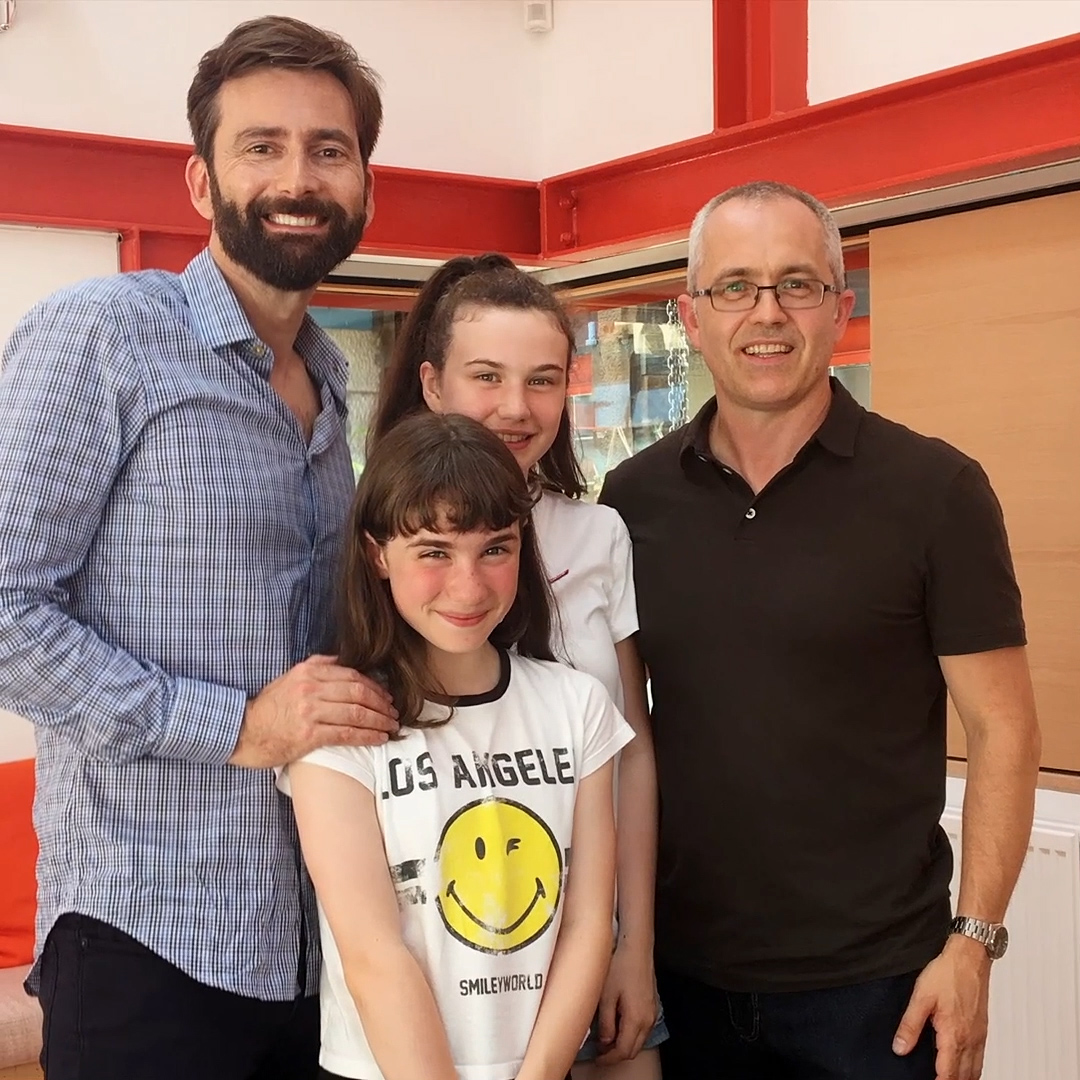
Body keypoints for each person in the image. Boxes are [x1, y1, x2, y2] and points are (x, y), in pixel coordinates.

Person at [0, 16, 398, 1080]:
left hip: (319, 934)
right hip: (149, 933)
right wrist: (234, 727)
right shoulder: (104, 336)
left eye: (330, 149)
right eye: (260, 145)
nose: (298, 176)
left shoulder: (330, 383)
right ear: (199, 181)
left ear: (363, 182)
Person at [600, 180, 1041, 1080]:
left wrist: (974, 945)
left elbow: (1005, 730)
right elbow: (626, 731)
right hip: (683, 980)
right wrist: (623, 944)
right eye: (736, 287)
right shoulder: (631, 500)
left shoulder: (936, 492)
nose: (767, 313)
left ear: (840, 309)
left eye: (796, 284)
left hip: (880, 991)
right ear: (690, 314)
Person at [370, 253, 667, 1077]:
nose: (516, 407)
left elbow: (631, 750)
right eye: (486, 376)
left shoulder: (599, 534)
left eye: (542, 380)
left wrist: (631, 945)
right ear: (433, 384)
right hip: (450, 964)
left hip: (592, 945)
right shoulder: (382, 539)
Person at [279, 411, 633, 1079]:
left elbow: (590, 924)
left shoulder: (576, 705)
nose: (468, 586)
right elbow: (373, 953)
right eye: (434, 552)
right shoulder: (342, 726)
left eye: (494, 548)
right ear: (378, 554)